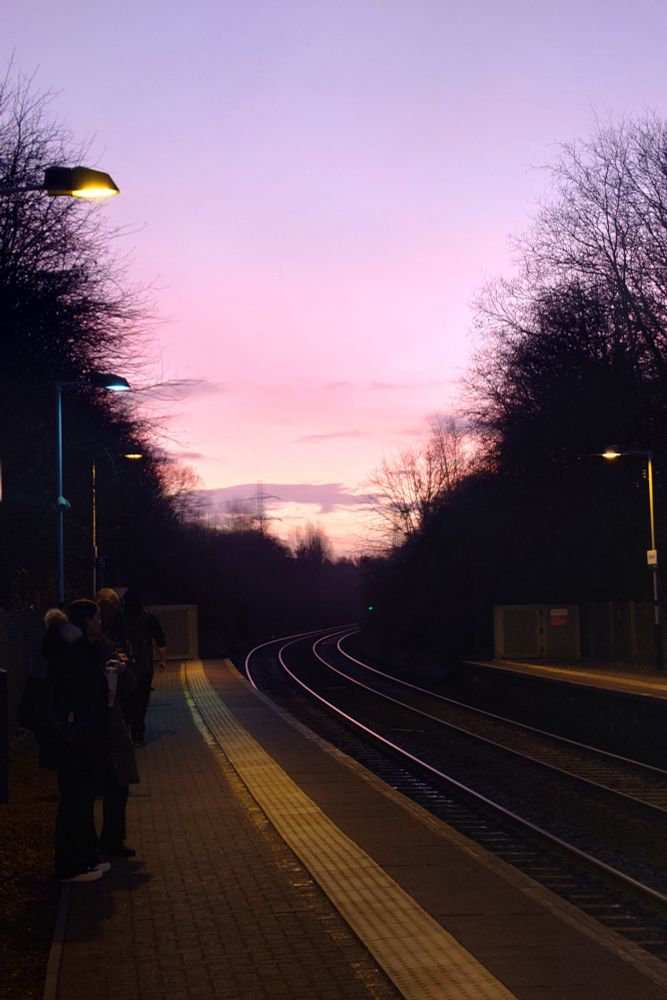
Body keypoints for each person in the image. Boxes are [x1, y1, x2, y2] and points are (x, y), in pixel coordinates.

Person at [42, 601, 112, 883]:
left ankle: (85, 859)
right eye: (97, 618)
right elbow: (78, 693)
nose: (100, 623)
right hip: (75, 739)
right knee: (75, 800)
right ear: (85, 621)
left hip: (75, 736)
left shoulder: (73, 648)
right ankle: (71, 866)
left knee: (80, 799)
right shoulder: (75, 652)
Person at [120, 589, 167, 747]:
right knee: (141, 701)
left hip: (123, 665)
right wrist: (162, 660)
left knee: (125, 700)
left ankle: (124, 733)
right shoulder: (149, 618)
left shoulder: (119, 618)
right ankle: (138, 736)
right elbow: (161, 641)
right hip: (144, 666)